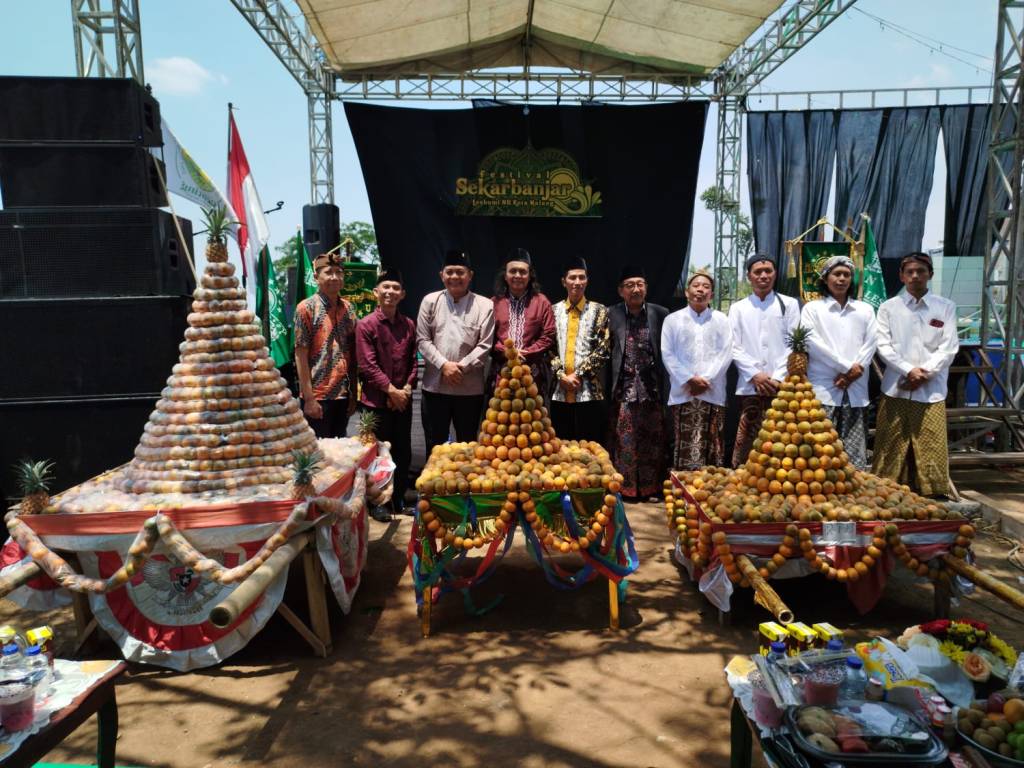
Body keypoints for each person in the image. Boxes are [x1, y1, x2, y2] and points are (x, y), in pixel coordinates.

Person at [872, 252, 959, 497]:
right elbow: (883, 345)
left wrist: (925, 373)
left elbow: (949, 347)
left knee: (931, 444)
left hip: (930, 390)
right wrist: (909, 370)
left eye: (920, 271)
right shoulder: (889, 308)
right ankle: (884, 494)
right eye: (909, 272)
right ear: (901, 276)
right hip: (896, 387)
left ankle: (934, 496)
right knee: (890, 444)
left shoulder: (945, 307)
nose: (914, 276)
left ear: (930, 274)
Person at [800, 255, 878, 470]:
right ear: (825, 278)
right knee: (820, 450)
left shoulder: (865, 310)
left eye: (847, 275)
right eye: (837, 274)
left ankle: (855, 493)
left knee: (853, 452)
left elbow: (871, 342)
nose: (842, 279)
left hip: (856, 387)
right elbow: (812, 342)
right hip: (825, 386)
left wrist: (855, 371)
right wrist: (846, 368)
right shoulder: (812, 309)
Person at [416, 250, 495, 456]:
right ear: (441, 275)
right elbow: (422, 340)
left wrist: (460, 367)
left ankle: (465, 488)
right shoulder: (429, 301)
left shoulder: (485, 305)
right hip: (435, 388)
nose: (454, 277)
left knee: (468, 447)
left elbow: (485, 345)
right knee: (435, 446)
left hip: (469, 390)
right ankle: (433, 488)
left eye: (460, 272)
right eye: (449, 272)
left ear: (470, 275)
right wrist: (444, 365)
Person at [728, 253, 801, 468]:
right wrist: (755, 375)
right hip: (751, 384)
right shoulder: (738, 308)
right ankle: (742, 478)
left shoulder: (789, 305)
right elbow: (733, 345)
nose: (763, 275)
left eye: (768, 271)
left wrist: (777, 377)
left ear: (775, 274)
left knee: (781, 440)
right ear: (749, 276)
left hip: (781, 384)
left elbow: (793, 344)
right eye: (757, 272)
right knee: (748, 439)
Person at [356, 268, 417, 518]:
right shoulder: (365, 325)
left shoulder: (409, 325)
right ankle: (378, 503)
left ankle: (399, 500)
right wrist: (392, 391)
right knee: (377, 454)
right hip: (376, 402)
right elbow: (367, 365)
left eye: (395, 288)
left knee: (403, 451)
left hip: (402, 401)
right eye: (385, 287)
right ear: (376, 293)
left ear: (402, 294)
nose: (390, 292)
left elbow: (414, 360)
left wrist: (406, 389)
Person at [606, 265, 669, 500]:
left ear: (646, 288)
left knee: (653, 442)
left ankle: (651, 489)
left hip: (651, 390)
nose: (636, 289)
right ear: (621, 290)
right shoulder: (611, 314)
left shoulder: (660, 314)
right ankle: (627, 489)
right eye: (630, 285)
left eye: (640, 284)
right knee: (625, 443)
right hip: (624, 391)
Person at [661, 272, 732, 470]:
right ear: (687, 291)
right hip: (684, 392)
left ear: (711, 294)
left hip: (713, 392)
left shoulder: (722, 320)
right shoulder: (672, 320)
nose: (700, 289)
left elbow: (726, 353)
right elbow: (668, 354)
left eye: (706, 286)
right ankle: (683, 494)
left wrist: (706, 380)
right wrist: (689, 379)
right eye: (696, 285)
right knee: (683, 443)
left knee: (713, 444)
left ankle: (710, 496)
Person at [294, 251, 358, 438]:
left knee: (340, 453)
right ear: (316, 277)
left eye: (339, 272)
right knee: (320, 455)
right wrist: (309, 399)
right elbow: (300, 355)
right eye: (329, 272)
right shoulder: (306, 308)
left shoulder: (348, 308)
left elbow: (353, 353)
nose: (335, 277)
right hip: (319, 397)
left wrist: (353, 393)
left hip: (343, 395)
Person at [549, 256, 611, 442]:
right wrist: (561, 375)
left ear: (587, 280)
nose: (577, 282)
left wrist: (578, 374)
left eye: (582, 277)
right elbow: (549, 348)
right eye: (572, 277)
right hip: (559, 392)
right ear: (563, 281)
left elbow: (604, 348)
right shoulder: (553, 311)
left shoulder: (599, 310)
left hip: (589, 392)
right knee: (561, 449)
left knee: (590, 449)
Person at [491, 248, 556, 399]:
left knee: (533, 421)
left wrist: (525, 353)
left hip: (532, 375)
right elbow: (488, 338)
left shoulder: (542, 302)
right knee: (500, 420)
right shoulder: (494, 303)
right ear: (505, 275)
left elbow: (549, 335)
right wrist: (509, 353)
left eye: (522, 272)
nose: (518, 276)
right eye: (513, 271)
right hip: (502, 375)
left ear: (530, 276)